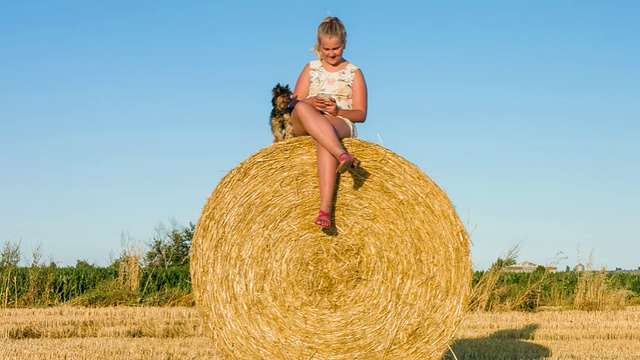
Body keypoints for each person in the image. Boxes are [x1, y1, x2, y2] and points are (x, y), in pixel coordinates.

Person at [288, 16, 368, 228]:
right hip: (305, 120)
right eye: (326, 49)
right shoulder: (311, 68)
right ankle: (341, 153)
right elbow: (292, 104)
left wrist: (338, 110)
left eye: (336, 48)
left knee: (324, 138)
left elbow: (361, 114)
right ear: (319, 47)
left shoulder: (354, 73)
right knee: (301, 106)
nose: (331, 54)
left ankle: (325, 210)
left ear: (344, 44)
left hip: (338, 121)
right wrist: (310, 101)